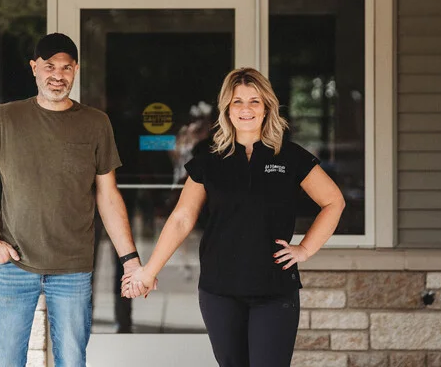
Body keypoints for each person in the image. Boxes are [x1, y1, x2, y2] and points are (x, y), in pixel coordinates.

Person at [121, 67, 346, 367]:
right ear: (227, 109)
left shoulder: (290, 156)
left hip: (274, 290)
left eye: (254, 101)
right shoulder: (209, 161)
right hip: (220, 291)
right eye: (237, 101)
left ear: (267, 106)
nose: (246, 109)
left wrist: (305, 249)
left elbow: (333, 201)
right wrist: (148, 272)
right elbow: (181, 219)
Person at [0, 32, 143, 367]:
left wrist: (130, 259)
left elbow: (108, 196)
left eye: (66, 67)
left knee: (72, 361)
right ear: (34, 68)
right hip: (15, 265)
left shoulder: (95, 123)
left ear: (75, 70)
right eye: (49, 66)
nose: (58, 75)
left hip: (73, 269)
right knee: (4, 360)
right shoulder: (5, 119)